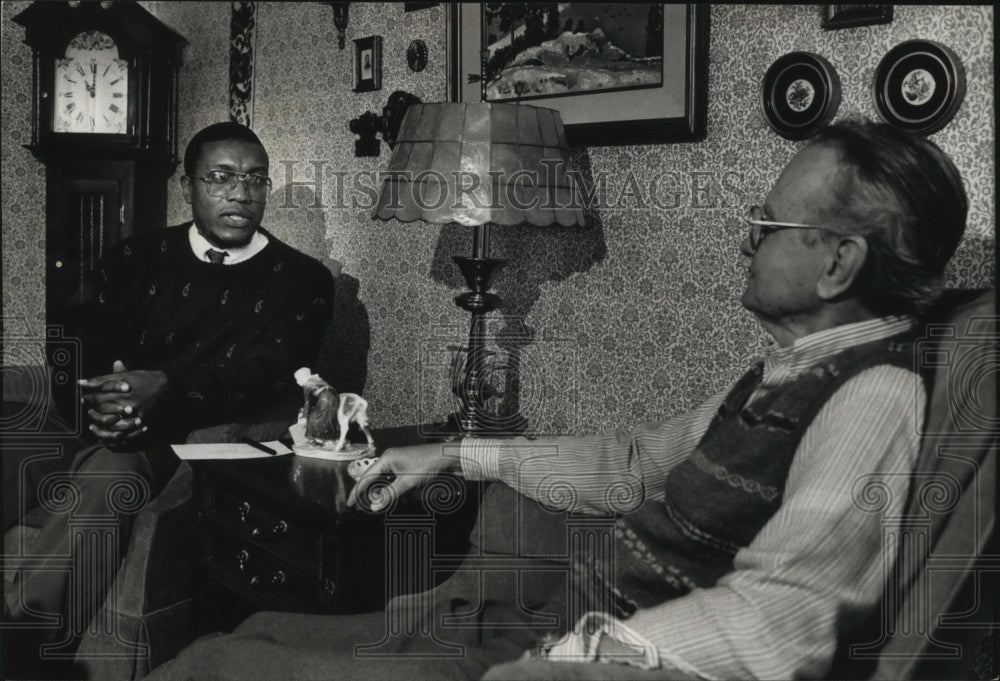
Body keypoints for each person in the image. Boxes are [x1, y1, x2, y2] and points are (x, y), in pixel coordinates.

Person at [142, 119, 967, 681]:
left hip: (569, 654)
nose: (746, 239)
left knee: (215, 663)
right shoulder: (781, 372)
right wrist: (454, 452)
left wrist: (575, 659)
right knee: (247, 633)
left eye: (768, 223)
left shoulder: (872, 394)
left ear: (839, 263)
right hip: (547, 621)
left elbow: (785, 617)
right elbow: (635, 464)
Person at [3, 122, 336, 677]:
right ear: (188, 186)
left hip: (174, 441)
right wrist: (105, 406)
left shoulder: (302, 280)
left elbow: (269, 376)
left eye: (255, 180)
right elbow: (79, 345)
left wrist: (163, 391)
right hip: (90, 419)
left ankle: (23, 657)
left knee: (110, 477)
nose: (240, 193)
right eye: (221, 177)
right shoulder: (136, 256)